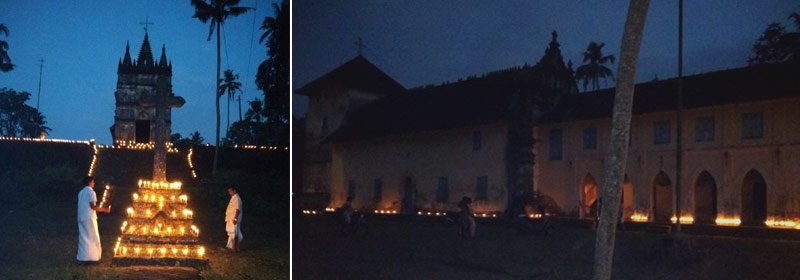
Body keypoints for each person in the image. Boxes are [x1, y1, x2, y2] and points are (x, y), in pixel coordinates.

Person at [76, 176, 111, 264]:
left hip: (81, 217)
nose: (94, 183)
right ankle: (93, 258)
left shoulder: (81, 192)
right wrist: (105, 210)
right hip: (89, 218)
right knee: (93, 237)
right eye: (93, 182)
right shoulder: (91, 192)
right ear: (90, 182)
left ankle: (82, 258)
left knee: (83, 237)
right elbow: (93, 206)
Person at [226, 186, 243, 252]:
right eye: (229, 191)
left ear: (234, 191)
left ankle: (234, 248)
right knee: (232, 232)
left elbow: (238, 209)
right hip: (231, 218)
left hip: (234, 219)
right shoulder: (233, 198)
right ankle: (233, 247)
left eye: (230, 191)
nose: (229, 193)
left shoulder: (237, 198)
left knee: (234, 233)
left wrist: (235, 218)